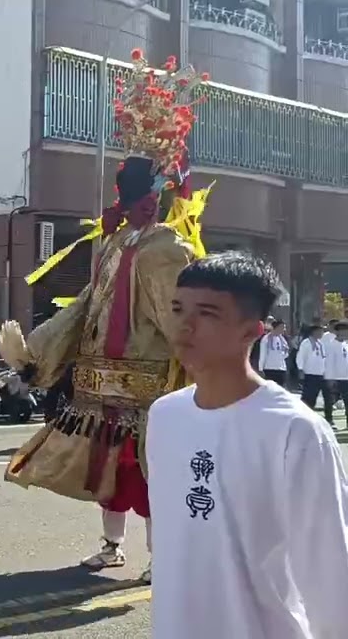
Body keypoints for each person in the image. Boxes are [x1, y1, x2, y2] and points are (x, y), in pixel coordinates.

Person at [0, 50, 209, 584]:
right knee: (106, 471)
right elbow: (87, 308)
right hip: (102, 380)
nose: (136, 201)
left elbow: (178, 318)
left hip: (147, 383)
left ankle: (165, 559)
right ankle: (112, 547)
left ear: (156, 195)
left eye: (140, 193)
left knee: (149, 474)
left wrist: (203, 374)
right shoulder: (116, 243)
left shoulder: (167, 247)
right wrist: (38, 354)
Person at [147, 251, 348, 637]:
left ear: (251, 331)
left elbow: (330, 575)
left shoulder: (295, 431)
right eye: (178, 309)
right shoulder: (164, 416)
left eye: (207, 313)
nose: (185, 326)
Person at [295, 323, 328, 419]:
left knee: (314, 396)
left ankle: (309, 415)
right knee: (307, 396)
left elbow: (323, 359)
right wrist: (300, 369)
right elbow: (300, 357)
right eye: (320, 331)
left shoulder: (320, 343)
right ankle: (301, 415)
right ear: (314, 332)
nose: (322, 333)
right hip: (309, 373)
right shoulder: (306, 342)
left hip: (319, 374)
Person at [324, 321, 348, 431]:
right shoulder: (331, 345)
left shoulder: (346, 345)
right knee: (330, 401)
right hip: (335, 378)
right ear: (337, 332)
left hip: (346, 377)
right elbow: (329, 363)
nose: (345, 333)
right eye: (343, 331)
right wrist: (330, 378)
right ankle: (329, 421)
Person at [257, 318, 290, 386]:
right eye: (282, 327)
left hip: (281, 368)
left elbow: (284, 355)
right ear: (276, 327)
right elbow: (263, 354)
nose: (284, 330)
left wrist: (286, 352)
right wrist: (260, 368)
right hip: (269, 368)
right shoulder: (266, 339)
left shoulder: (283, 340)